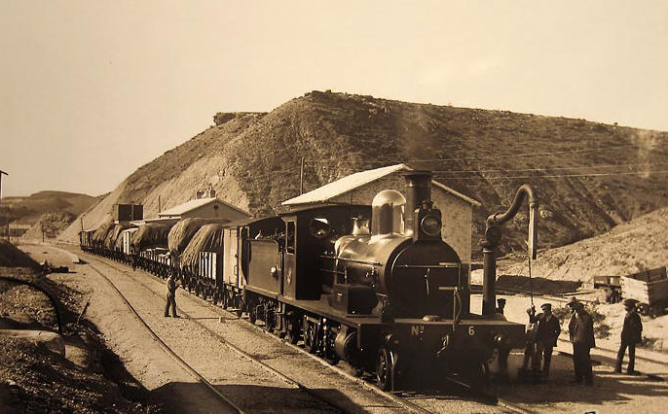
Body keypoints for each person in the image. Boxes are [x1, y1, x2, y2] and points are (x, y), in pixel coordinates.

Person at [568, 300, 595, 385]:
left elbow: (584, 328)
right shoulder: (575, 316)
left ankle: (588, 380)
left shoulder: (586, 316)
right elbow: (570, 327)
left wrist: (578, 317)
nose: (575, 312)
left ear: (581, 309)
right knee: (577, 360)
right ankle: (578, 378)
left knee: (585, 361)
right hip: (577, 341)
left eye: (576, 310)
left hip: (584, 342)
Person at [531, 303, 561, 376]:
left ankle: (545, 371)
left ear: (549, 310)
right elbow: (532, 320)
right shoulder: (540, 316)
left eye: (545, 310)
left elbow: (558, 330)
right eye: (543, 310)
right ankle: (536, 369)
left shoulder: (554, 319)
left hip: (549, 340)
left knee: (547, 356)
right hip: (540, 339)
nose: (543, 311)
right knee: (538, 354)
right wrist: (532, 313)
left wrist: (554, 338)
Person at [615, 298, 642, 375]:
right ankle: (630, 370)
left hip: (624, 336)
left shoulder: (628, 314)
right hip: (631, 337)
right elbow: (637, 327)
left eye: (626, 306)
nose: (625, 307)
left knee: (621, 352)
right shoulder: (634, 316)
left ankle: (618, 368)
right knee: (631, 354)